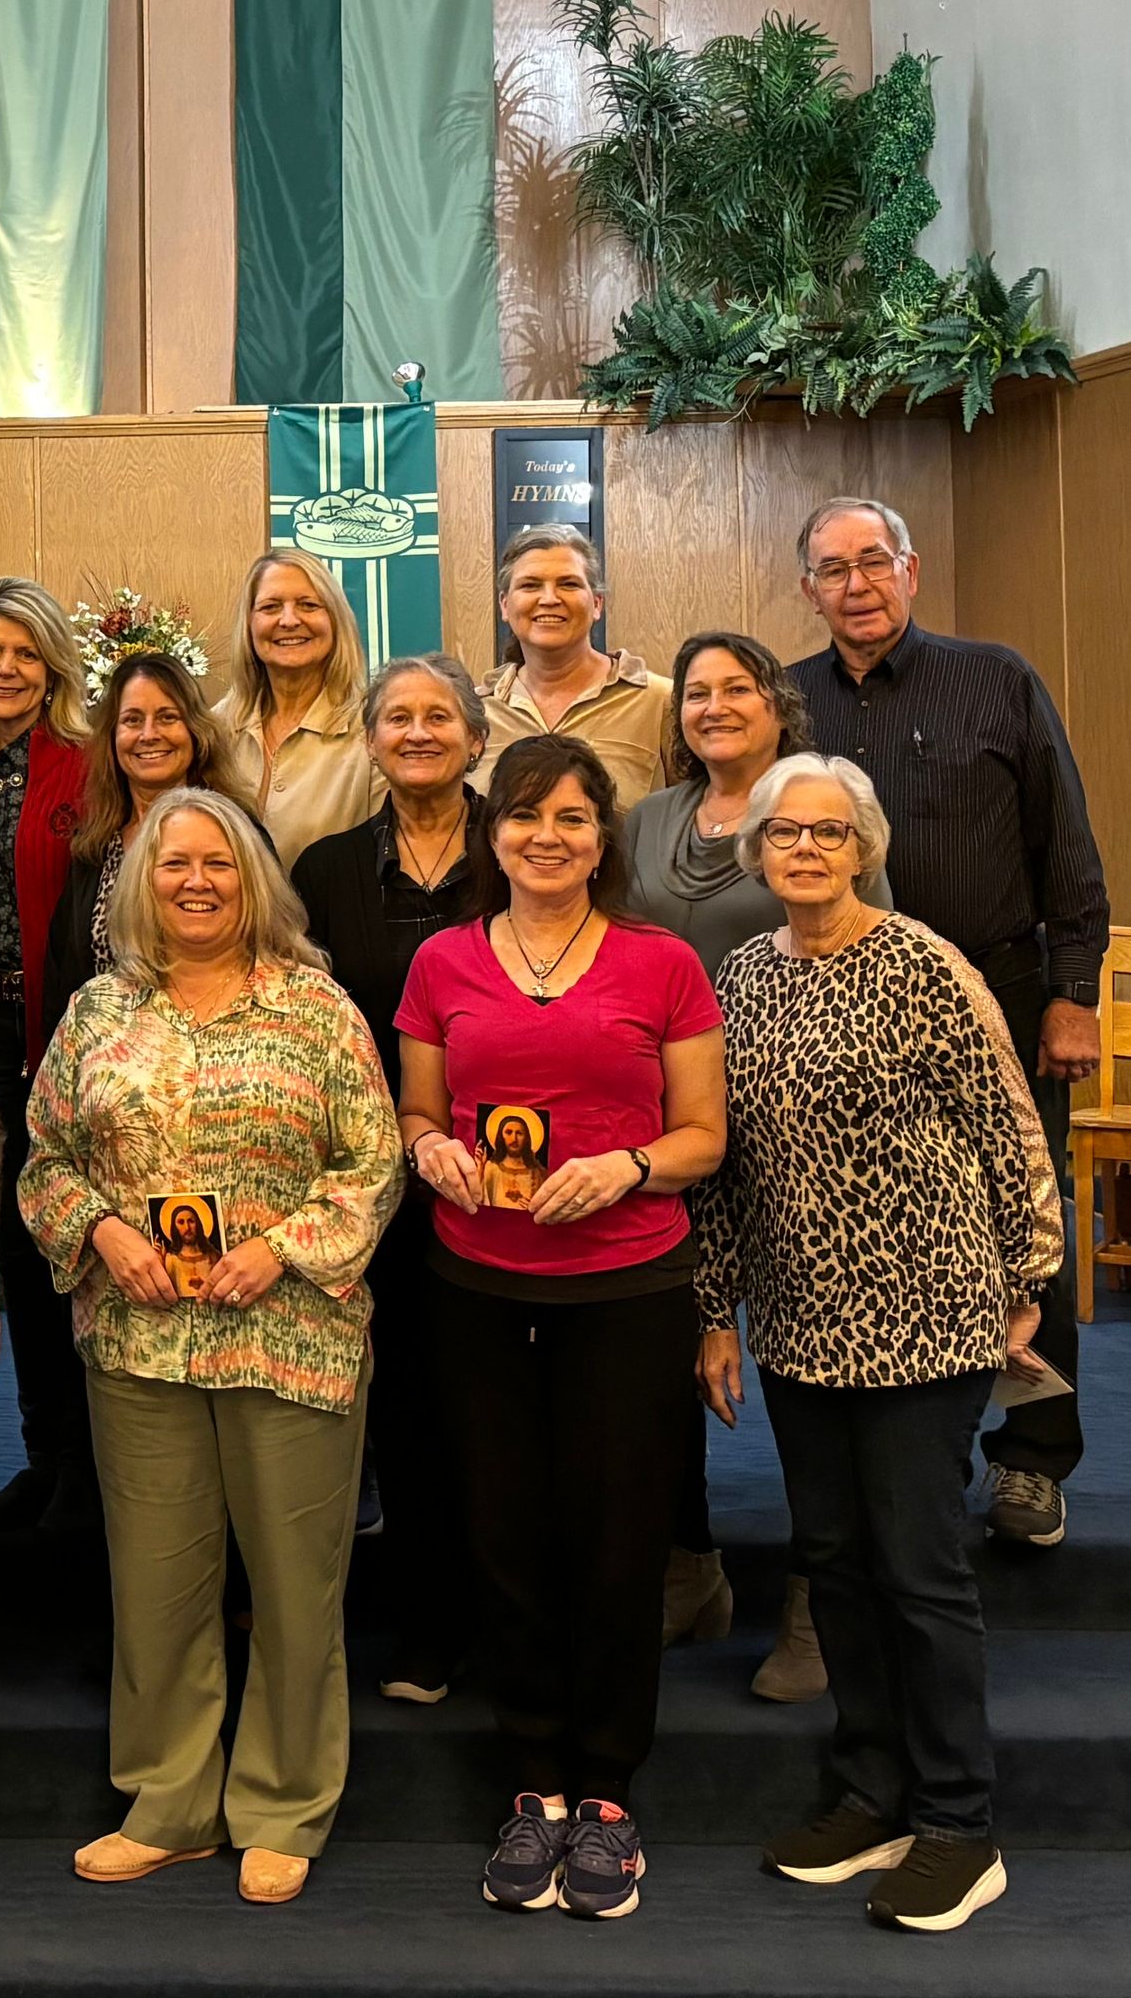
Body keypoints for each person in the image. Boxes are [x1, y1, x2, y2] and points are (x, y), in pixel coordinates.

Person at [696, 752, 1060, 1937]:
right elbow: (722, 1164)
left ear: (866, 847)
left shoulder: (923, 966)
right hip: (801, 1324)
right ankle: (872, 1793)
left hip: (927, 1313)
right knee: (834, 1562)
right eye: (783, 833)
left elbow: (1007, 1122)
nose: (805, 850)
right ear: (755, 852)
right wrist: (715, 1309)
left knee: (919, 1569)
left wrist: (1029, 1274)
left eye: (828, 833)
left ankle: (960, 1821)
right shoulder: (739, 977)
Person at [19, 790, 401, 1908]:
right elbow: (45, 1156)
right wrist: (98, 1229)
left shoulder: (316, 1010)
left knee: (292, 1585)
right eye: (174, 863)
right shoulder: (97, 1013)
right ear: (143, 883)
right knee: (158, 1584)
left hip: (289, 1337)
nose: (196, 882)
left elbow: (370, 1165)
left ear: (252, 882)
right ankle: (171, 1802)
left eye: (219, 866)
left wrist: (280, 1250)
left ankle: (284, 1804)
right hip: (139, 1342)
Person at [394, 734, 725, 1927]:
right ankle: (533, 1783)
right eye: (528, 818)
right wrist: (429, 1149)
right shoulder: (442, 960)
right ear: (495, 834)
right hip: (478, 1284)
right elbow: (420, 1109)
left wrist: (629, 1166)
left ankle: (607, 1794)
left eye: (575, 820)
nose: (549, 838)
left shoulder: (662, 962)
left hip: (625, 1286)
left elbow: (703, 1136)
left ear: (604, 840)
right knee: (505, 1531)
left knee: (617, 1534)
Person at [786, 496, 1109, 1552]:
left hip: (1005, 996)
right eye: (833, 570)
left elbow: (1065, 841)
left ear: (911, 571)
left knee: (1025, 1226)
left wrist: (1075, 992)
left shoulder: (997, 678)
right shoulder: (789, 703)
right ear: (808, 591)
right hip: (841, 1007)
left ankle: (1029, 1459)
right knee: (872, 1233)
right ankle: (890, 1459)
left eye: (873, 562)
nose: (856, 585)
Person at [621, 629, 896, 1684]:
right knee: (663, 1356)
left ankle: (816, 1600)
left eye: (738, 688)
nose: (715, 706)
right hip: (665, 1125)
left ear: (776, 703)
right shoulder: (645, 819)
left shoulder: (820, 810)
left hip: (796, 1127)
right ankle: (689, 1568)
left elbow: (872, 943)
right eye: (696, 692)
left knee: (804, 1359)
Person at [289, 653, 483, 1704]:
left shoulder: (524, 846)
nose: (417, 732)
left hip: (509, 1178)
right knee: (404, 1402)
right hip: (372, 1174)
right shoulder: (322, 870)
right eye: (396, 718)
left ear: (475, 737)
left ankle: (512, 1614)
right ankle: (427, 1627)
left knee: (493, 1404)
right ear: (369, 743)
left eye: (438, 716)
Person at [0, 576, 95, 1539]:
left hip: (57, 1036)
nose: (5, 669)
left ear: (53, 667)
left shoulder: (81, 764)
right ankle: (43, 1460)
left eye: (25, 653)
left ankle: (88, 1472)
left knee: (64, 1258)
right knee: (3, 1250)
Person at [45, 647, 261, 1034]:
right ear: (112, 737)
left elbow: (270, 947)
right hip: (111, 1063)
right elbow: (64, 972)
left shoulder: (237, 833)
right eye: (132, 720)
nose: (149, 734)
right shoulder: (93, 845)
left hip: (223, 1055)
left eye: (167, 717)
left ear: (196, 731)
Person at [477, 525, 676, 811]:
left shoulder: (661, 702)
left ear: (597, 604)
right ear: (505, 605)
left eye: (568, 584)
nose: (549, 599)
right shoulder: (476, 713)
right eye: (530, 585)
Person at [215, 548, 382, 860]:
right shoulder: (214, 729)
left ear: (336, 621)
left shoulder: (374, 728)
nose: (289, 620)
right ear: (249, 624)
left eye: (308, 605)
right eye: (270, 606)